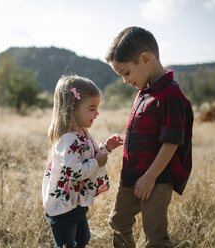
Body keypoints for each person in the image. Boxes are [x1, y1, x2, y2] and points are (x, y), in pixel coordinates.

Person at [105, 27, 194, 248]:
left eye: (126, 73)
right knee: (118, 222)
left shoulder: (171, 95)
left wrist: (150, 177)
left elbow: (171, 142)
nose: (126, 81)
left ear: (145, 58)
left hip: (156, 181)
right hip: (131, 178)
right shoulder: (145, 92)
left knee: (155, 238)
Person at [42, 75, 123, 248]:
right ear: (73, 109)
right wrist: (97, 163)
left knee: (83, 239)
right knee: (67, 245)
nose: (97, 113)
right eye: (92, 108)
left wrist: (106, 148)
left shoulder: (83, 134)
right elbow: (73, 171)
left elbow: (89, 156)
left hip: (75, 204)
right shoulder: (68, 139)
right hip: (62, 209)